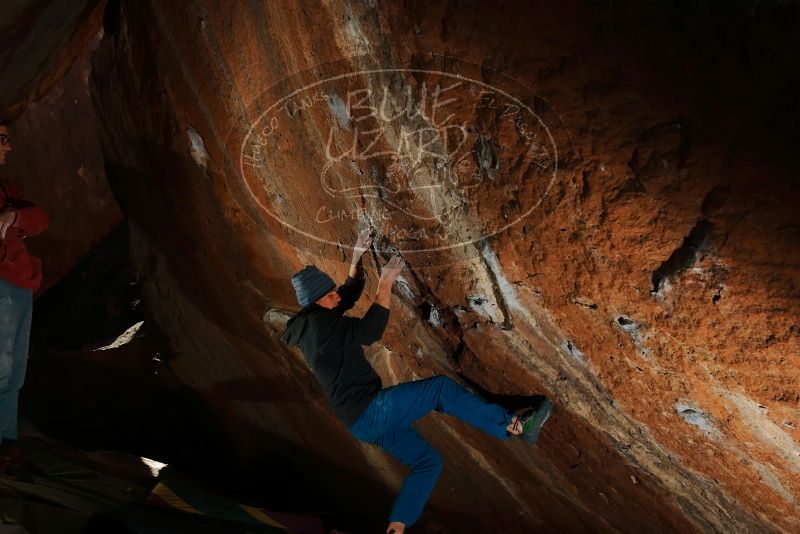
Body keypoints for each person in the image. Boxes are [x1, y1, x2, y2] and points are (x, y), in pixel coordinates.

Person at [280, 226, 552, 533]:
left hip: (362, 424)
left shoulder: (313, 318)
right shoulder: (322, 331)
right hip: (372, 410)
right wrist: (385, 286)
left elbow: (346, 294)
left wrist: (357, 258)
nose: (336, 296)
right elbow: (370, 331)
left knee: (427, 462)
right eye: (330, 295)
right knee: (440, 390)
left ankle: (396, 528)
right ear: (317, 302)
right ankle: (513, 426)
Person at [0, 119, 50, 471]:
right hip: (3, 283)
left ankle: (7, 441)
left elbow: (41, 219)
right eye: (1, 139)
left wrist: (13, 214)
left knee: (15, 370)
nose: (8, 146)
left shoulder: (7, 188)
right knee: (0, 366)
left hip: (19, 286)